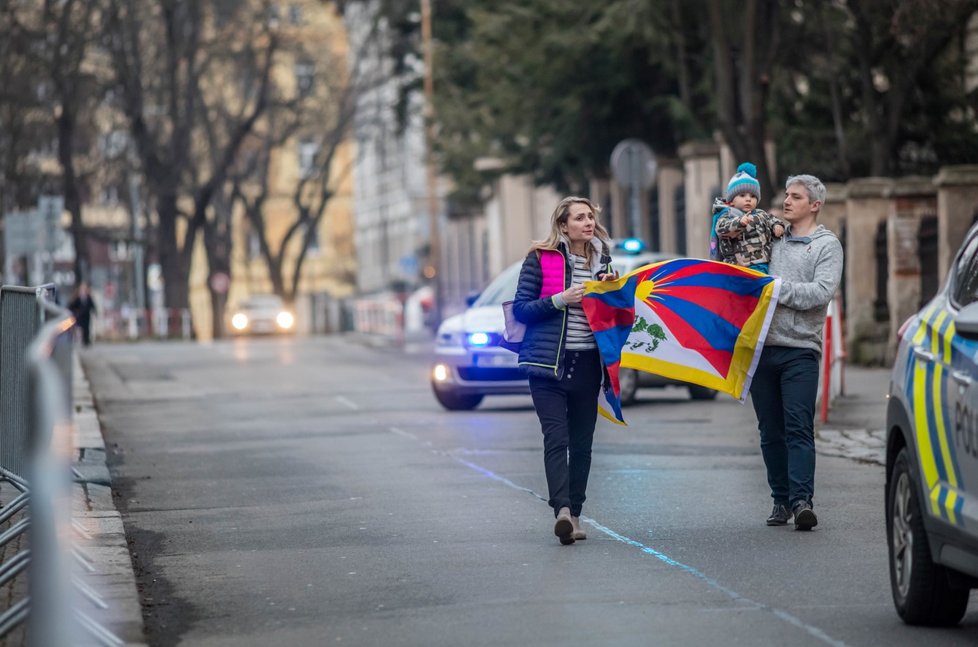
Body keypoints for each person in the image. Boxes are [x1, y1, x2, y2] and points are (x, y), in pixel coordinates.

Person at [512, 196, 618, 545]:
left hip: (588, 364)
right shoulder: (540, 260)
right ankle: (561, 511)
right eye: (579, 218)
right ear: (562, 225)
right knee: (556, 439)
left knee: (582, 445)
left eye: (590, 216)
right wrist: (561, 299)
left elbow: (613, 317)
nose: (588, 223)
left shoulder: (603, 260)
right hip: (547, 367)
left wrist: (614, 292)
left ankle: (575, 514)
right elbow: (522, 310)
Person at [749, 174, 843, 530]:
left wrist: (774, 288)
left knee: (798, 426)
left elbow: (820, 292)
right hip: (761, 349)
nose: (787, 201)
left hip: (801, 350)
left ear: (815, 205)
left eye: (796, 197)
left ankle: (803, 500)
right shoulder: (771, 240)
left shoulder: (826, 245)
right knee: (769, 430)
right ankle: (780, 500)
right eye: (786, 196)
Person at [711, 162, 785, 274]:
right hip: (739, 268)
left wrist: (777, 225)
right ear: (731, 201)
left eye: (753, 196)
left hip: (763, 264)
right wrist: (739, 223)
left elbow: (772, 219)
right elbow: (721, 229)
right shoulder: (729, 214)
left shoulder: (761, 214)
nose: (748, 199)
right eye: (742, 195)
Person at [69, 281, 97, 347]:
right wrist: (75, 312)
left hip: (87, 315)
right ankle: (81, 340)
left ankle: (86, 341)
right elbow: (72, 306)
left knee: (87, 328)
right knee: (80, 328)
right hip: (80, 316)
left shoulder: (88, 297)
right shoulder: (77, 297)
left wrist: (95, 312)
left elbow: (92, 305)